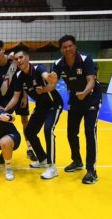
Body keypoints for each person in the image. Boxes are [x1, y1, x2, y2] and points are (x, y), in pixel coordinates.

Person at [52, 35, 102, 184]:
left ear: (75, 46)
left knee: (89, 130)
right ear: (61, 49)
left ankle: (92, 170)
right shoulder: (58, 63)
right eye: (64, 47)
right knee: (71, 132)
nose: (68, 49)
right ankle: (77, 160)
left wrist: (84, 93)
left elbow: (91, 80)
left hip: (91, 97)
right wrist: (48, 82)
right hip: (75, 98)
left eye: (70, 46)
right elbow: (53, 81)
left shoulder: (85, 58)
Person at [13, 50, 63, 180]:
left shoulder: (38, 68)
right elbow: (15, 97)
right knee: (29, 132)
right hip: (41, 107)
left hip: (54, 105)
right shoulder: (19, 76)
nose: (19, 60)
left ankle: (52, 167)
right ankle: (43, 159)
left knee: (48, 130)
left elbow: (46, 76)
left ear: (27, 58)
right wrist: (4, 109)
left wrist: (49, 79)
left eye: (21, 57)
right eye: (16, 59)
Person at [0, 40, 36, 162]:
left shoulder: (14, 63)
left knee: (25, 121)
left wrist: (25, 96)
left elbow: (22, 79)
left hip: (18, 96)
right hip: (3, 99)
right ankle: (4, 150)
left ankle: (30, 148)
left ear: (4, 49)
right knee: (4, 122)